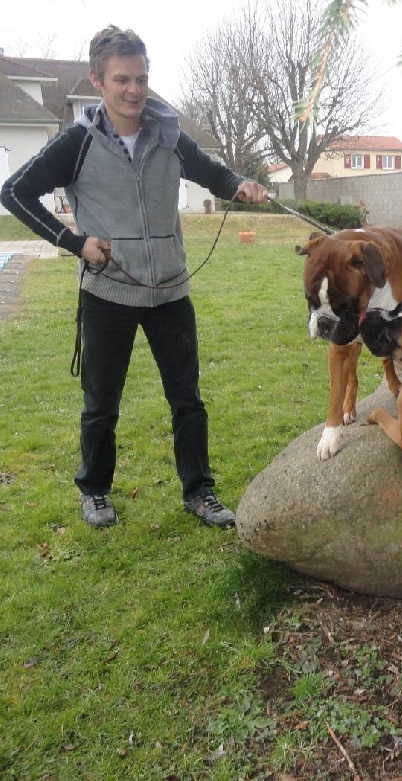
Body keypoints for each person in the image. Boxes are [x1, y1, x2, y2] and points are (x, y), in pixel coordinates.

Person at [1, 25, 268, 529]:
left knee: (187, 400)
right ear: (97, 81)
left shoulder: (168, 134)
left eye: (141, 78)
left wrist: (239, 184)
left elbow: (212, 173)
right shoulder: (77, 142)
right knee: (101, 404)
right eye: (122, 79)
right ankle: (95, 490)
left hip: (170, 292)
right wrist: (75, 243)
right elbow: (13, 192)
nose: (134, 90)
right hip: (108, 293)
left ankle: (200, 491)